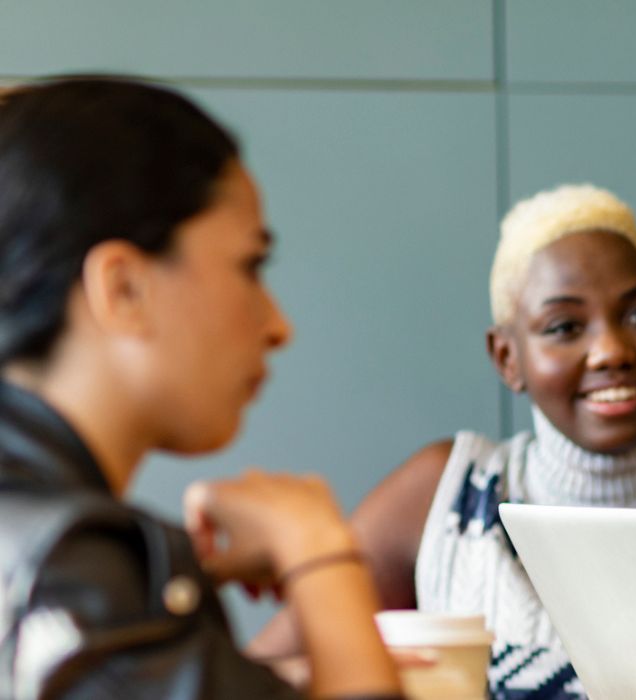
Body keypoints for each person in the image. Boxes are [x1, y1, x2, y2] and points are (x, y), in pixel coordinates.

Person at [248, 184, 636, 699]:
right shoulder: (446, 493)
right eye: (565, 327)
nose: (612, 350)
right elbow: (250, 678)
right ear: (507, 357)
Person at [0, 77, 402, 698]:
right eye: (250, 265)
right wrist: (318, 550)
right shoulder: (71, 568)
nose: (278, 325)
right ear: (123, 289)